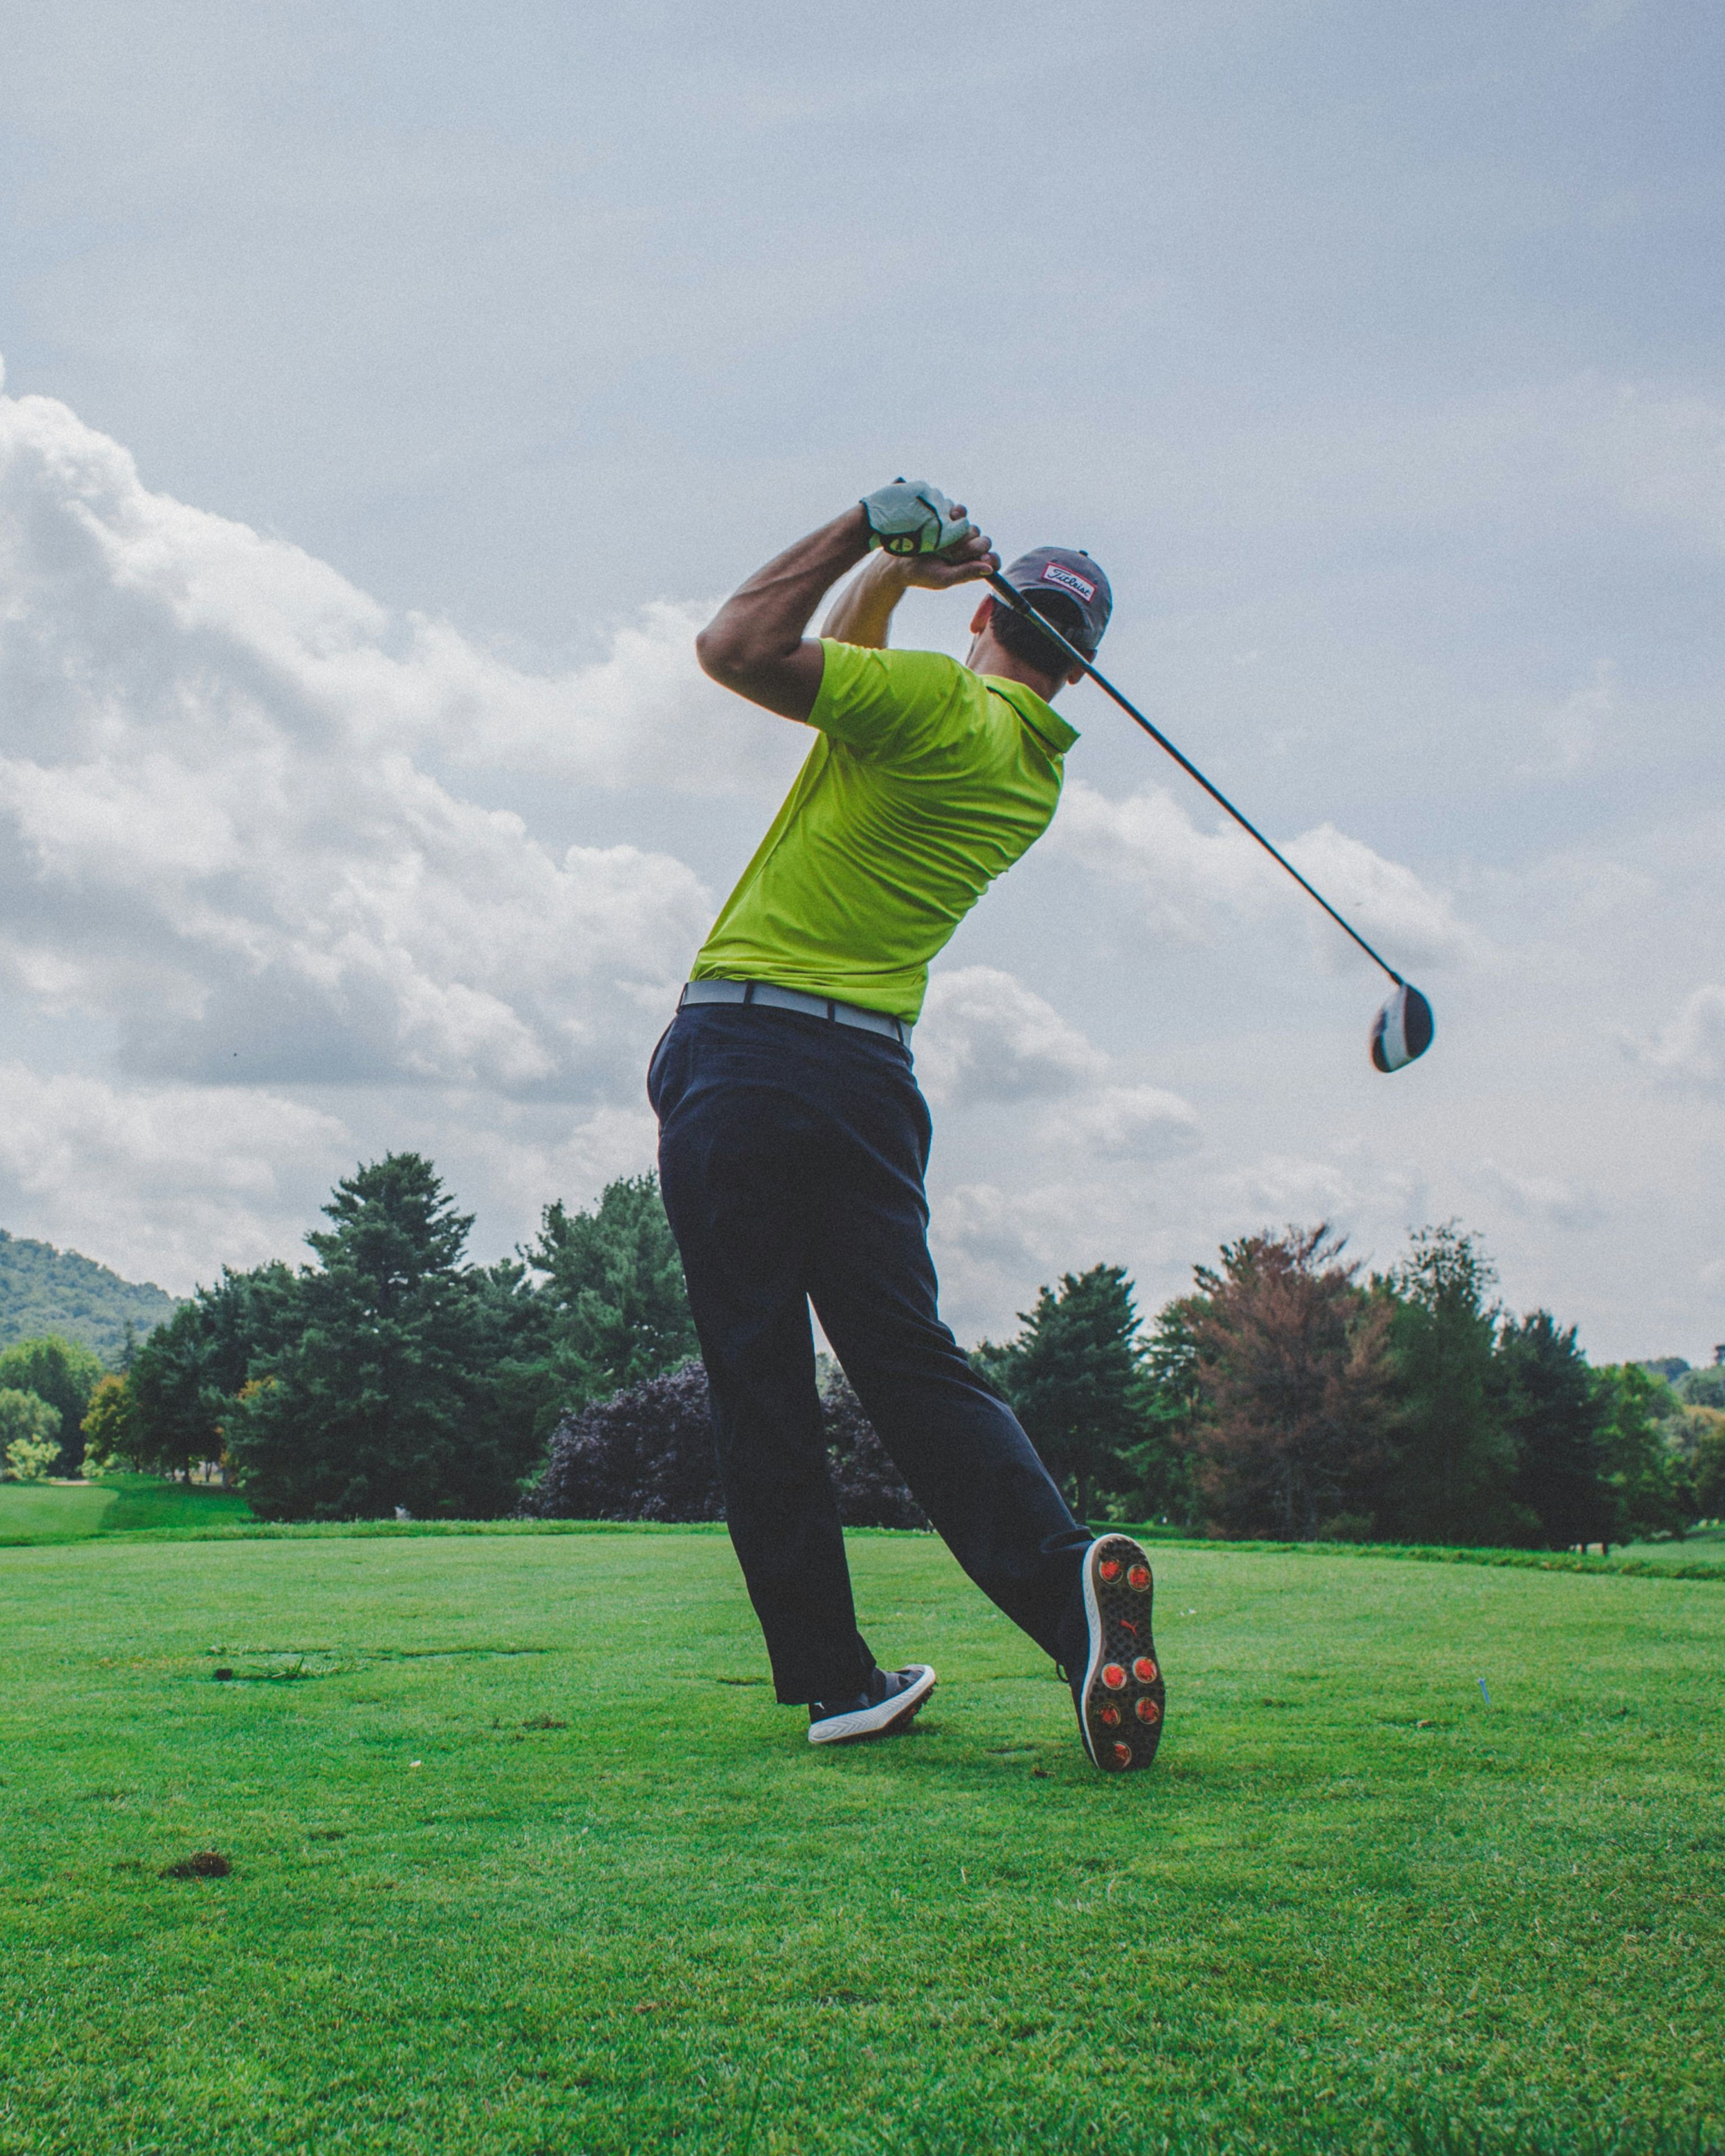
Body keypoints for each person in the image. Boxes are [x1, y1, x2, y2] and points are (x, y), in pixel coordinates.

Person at [649, 479, 1165, 1772]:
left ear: (986, 614)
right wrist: (893, 580)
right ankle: (1067, 1601)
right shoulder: (1025, 766)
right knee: (913, 1367)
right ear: (1081, 675)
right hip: (870, 1083)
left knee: (762, 1377)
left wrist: (856, 529)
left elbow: (739, 649)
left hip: (750, 1057)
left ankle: (836, 1679)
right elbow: (855, 672)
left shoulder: (936, 705)